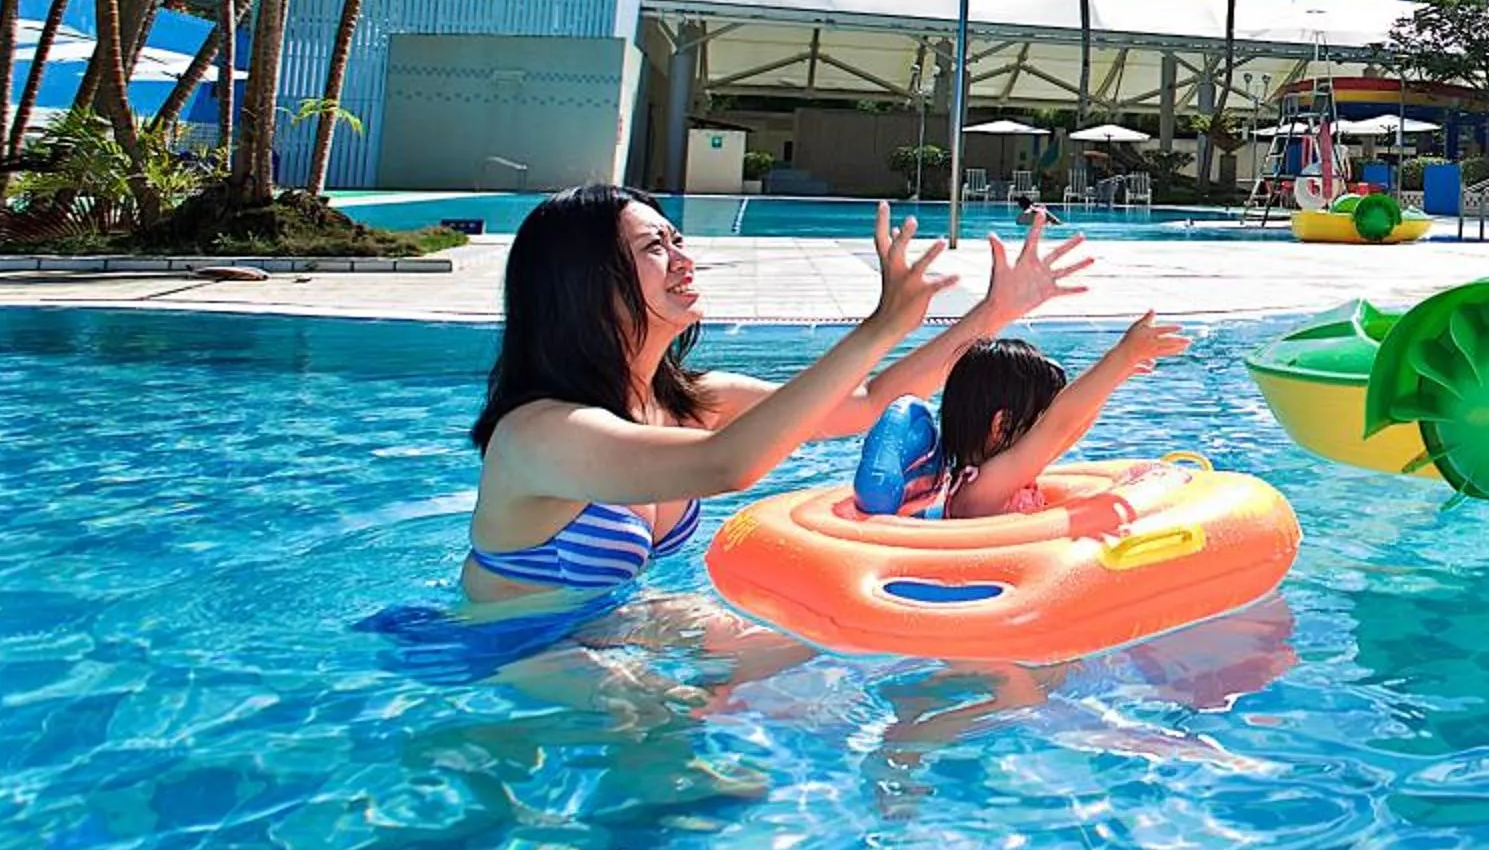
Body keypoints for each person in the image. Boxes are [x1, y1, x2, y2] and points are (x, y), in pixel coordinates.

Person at [458, 186, 1087, 608]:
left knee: (831, 680)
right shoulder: (541, 433)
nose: (684, 259)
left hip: (619, 633)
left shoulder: (691, 401)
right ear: (584, 282)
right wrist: (880, 325)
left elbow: (864, 405)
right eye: (656, 247)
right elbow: (725, 464)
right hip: (512, 658)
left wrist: (992, 313)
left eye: (678, 240)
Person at [933, 314, 1191, 519]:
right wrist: (1121, 356)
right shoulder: (978, 491)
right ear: (1003, 425)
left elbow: (1068, 431)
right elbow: (1059, 426)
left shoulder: (1008, 474)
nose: (1047, 428)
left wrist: (1113, 379)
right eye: (1042, 417)